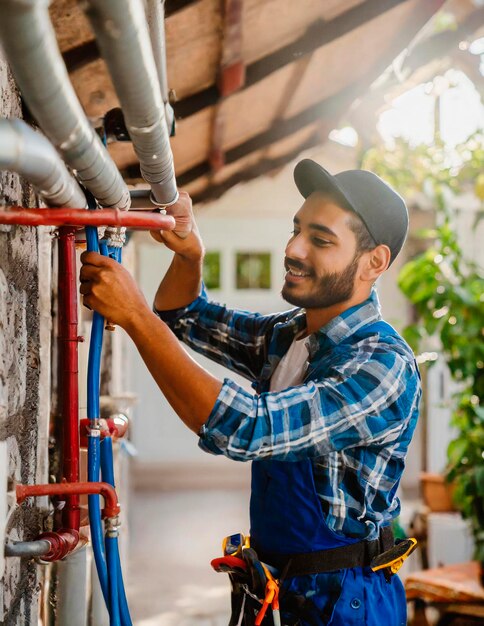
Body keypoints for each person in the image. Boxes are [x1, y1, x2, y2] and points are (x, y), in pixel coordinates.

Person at [80, 159, 421, 625]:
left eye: (320, 240)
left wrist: (136, 317)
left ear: (374, 262)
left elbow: (248, 428)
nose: (294, 249)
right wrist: (188, 255)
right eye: (296, 229)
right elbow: (184, 314)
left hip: (347, 605)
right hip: (278, 590)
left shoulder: (383, 366)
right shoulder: (290, 336)